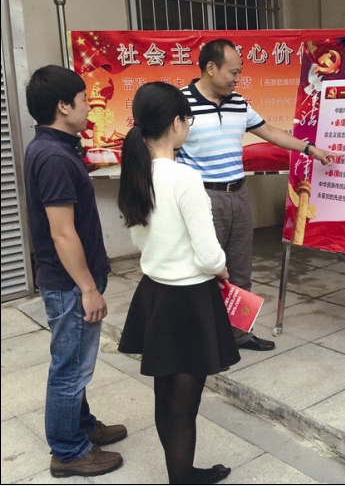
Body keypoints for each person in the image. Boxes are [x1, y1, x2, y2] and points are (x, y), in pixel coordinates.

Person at [177, 38, 337, 351]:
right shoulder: (180, 104)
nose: (237, 79)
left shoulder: (238, 102)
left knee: (240, 269)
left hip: (238, 194)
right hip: (201, 198)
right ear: (210, 68)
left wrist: (310, 149)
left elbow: (271, 132)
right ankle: (201, 341)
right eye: (232, 72)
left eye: (239, 72)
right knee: (202, 270)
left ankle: (239, 335)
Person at [117, 82, 239, 485]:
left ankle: (181, 474)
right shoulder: (184, 177)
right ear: (176, 123)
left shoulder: (137, 173)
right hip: (189, 300)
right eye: (188, 119)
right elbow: (209, 254)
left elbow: (139, 240)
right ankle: (182, 478)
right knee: (185, 405)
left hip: (154, 294)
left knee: (165, 394)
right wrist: (221, 268)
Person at [23, 65, 127, 478]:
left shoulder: (55, 148)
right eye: (84, 100)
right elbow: (62, 232)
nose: (89, 107)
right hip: (69, 285)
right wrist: (87, 288)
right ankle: (68, 452)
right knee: (70, 368)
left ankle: (81, 426)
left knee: (74, 361)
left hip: (68, 281)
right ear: (63, 106)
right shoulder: (52, 157)